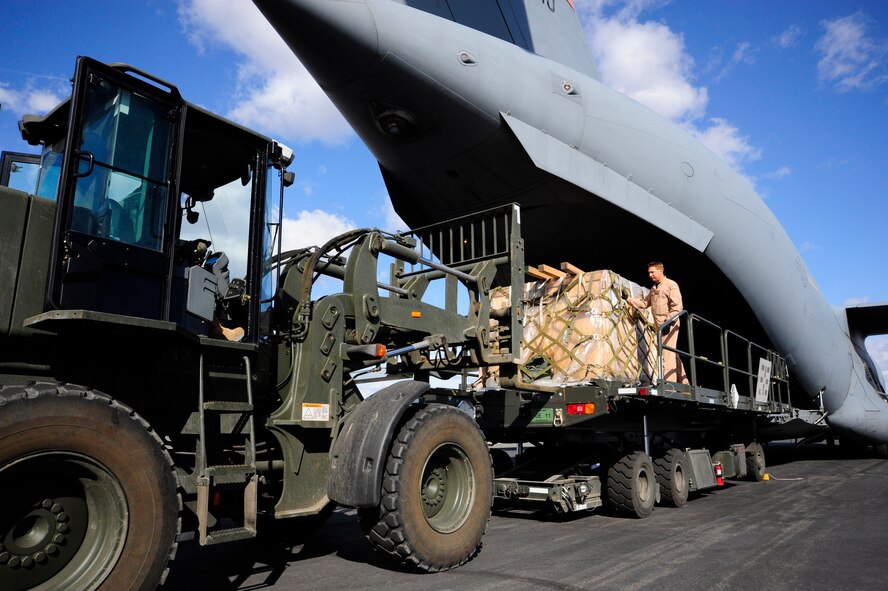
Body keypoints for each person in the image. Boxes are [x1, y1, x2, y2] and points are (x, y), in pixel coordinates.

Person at [626, 262, 687, 384]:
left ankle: (670, 385)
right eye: (649, 272)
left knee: (667, 354)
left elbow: (677, 307)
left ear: (661, 271)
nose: (650, 275)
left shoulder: (671, 285)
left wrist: (668, 322)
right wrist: (628, 299)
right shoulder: (654, 288)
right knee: (671, 353)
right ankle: (685, 382)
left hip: (669, 324)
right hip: (660, 326)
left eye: (652, 272)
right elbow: (644, 303)